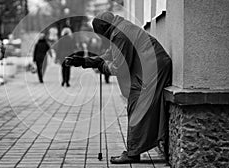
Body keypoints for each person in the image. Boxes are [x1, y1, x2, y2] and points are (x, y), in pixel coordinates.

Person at [66, 12, 172, 164]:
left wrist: (102, 66)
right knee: (139, 104)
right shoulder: (119, 28)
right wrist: (86, 61)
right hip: (152, 65)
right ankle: (143, 145)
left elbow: (119, 67)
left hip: (153, 67)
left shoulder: (119, 34)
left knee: (137, 105)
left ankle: (133, 153)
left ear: (104, 30)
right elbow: (112, 53)